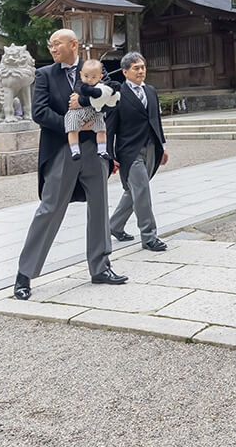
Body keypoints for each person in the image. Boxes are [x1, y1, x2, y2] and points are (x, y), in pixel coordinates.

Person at [14, 29, 125, 300]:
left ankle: (100, 266)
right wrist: (71, 123)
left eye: (56, 44)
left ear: (73, 44)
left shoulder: (96, 69)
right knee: (50, 208)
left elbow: (112, 101)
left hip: (95, 150)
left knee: (99, 207)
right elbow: (39, 112)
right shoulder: (45, 75)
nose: (52, 49)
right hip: (63, 148)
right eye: (50, 45)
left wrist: (98, 116)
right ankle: (24, 274)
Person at [107, 51, 169, 252]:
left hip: (151, 147)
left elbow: (156, 121)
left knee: (133, 191)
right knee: (142, 191)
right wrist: (109, 156)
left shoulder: (150, 91)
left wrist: (163, 146)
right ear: (125, 72)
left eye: (143, 67)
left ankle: (114, 226)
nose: (141, 71)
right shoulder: (117, 95)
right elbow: (110, 128)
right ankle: (149, 236)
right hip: (129, 151)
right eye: (136, 68)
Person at [66, 58, 120, 161]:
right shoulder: (80, 83)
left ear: (100, 77)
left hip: (95, 112)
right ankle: (75, 150)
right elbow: (82, 90)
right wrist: (92, 93)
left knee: (101, 129)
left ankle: (102, 149)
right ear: (81, 74)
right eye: (86, 76)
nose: (89, 79)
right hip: (77, 112)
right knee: (72, 129)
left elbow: (108, 93)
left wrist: (111, 90)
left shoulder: (102, 85)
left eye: (93, 77)